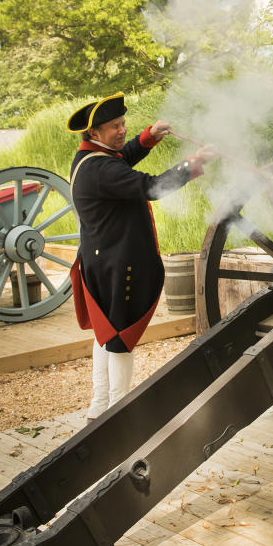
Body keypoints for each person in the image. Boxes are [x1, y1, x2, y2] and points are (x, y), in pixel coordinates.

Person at [67, 92, 215, 420]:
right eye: (114, 127)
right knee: (120, 335)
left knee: (105, 332)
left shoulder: (90, 156)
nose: (121, 131)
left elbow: (120, 158)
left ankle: (99, 404)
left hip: (100, 260)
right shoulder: (103, 169)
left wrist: (148, 137)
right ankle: (118, 410)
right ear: (94, 133)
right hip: (118, 265)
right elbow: (151, 187)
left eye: (123, 124)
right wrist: (194, 165)